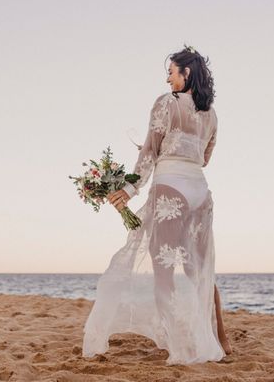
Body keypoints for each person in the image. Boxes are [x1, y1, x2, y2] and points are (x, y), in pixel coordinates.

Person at [82, 45, 232, 364]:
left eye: (171, 73)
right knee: (200, 269)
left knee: (163, 269)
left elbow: (149, 152)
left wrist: (129, 189)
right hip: (200, 194)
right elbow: (204, 159)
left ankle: (181, 345)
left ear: (186, 73)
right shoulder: (212, 114)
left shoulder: (166, 103)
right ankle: (221, 340)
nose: (168, 80)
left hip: (171, 188)